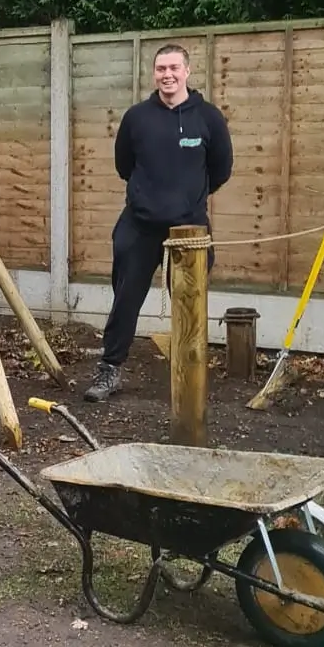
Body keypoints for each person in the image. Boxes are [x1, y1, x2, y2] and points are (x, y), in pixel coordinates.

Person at [83, 43, 233, 403]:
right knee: (125, 299)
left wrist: (186, 201)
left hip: (188, 231)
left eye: (174, 68)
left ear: (187, 71)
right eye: (161, 69)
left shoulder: (208, 118)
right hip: (139, 225)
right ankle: (110, 369)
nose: (168, 75)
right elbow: (124, 166)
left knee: (189, 303)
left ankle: (190, 375)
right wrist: (150, 198)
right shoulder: (137, 118)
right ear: (154, 74)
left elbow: (221, 169)